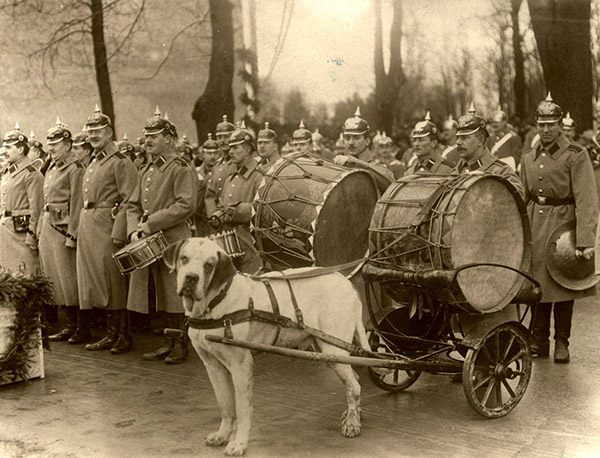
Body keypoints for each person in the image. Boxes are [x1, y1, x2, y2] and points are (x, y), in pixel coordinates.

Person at [521, 93, 598, 363]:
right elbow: (523, 195)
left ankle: (562, 342)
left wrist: (586, 240)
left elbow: (587, 199)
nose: (545, 129)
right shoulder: (529, 156)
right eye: (541, 125)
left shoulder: (576, 154)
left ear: (559, 125)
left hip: (564, 225)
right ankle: (538, 339)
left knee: (565, 286)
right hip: (535, 225)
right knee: (537, 285)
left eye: (551, 124)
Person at [127, 110, 198, 364]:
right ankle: (169, 342)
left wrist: (150, 224)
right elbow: (133, 204)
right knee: (161, 292)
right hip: (151, 241)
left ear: (169, 138)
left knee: (175, 291)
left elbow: (186, 205)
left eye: (154, 135)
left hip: (173, 240)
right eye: (146, 135)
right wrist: (134, 228)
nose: (148, 140)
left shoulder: (180, 167)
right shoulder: (146, 168)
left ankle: (181, 344)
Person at [77, 105, 138, 354]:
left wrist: (119, 232)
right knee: (98, 281)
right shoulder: (93, 160)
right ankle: (110, 334)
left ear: (110, 132)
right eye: (90, 132)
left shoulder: (120, 162)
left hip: (108, 225)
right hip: (89, 223)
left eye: (98, 131)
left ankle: (123, 335)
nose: (92, 136)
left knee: (113, 280)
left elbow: (129, 199)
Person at [39, 119, 90, 344]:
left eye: (56, 143)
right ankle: (69, 324)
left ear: (68, 145)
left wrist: (73, 233)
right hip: (49, 224)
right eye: (49, 143)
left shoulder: (75, 168)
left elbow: (78, 202)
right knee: (57, 277)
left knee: (70, 279)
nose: (51, 147)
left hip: (64, 228)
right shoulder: (51, 166)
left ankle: (82, 326)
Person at [208, 122, 264, 274]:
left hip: (251, 245)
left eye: (235, 148)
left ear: (247, 150)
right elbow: (221, 205)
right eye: (230, 147)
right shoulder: (230, 179)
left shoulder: (260, 177)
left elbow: (265, 210)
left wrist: (240, 211)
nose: (230, 151)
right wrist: (217, 215)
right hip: (230, 246)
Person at [452, 103, 524, 197]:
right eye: (458, 137)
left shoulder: (501, 172)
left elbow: (516, 203)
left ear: (480, 141)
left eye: (464, 138)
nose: (458, 142)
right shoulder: (457, 170)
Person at [0, 125, 43, 273]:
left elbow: (36, 208)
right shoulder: (8, 173)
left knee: (26, 274)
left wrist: (32, 236)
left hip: (22, 235)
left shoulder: (31, 174)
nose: (4, 151)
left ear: (20, 149)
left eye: (9, 147)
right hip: (6, 233)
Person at [333, 107, 394, 192]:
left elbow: (391, 183)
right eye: (347, 138)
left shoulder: (377, 166)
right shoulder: (341, 165)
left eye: (356, 137)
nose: (351, 142)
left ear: (367, 141)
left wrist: (356, 162)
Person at [205, 114, 236, 217]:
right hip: (217, 220)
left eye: (226, 136)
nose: (222, 140)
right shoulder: (217, 165)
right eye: (219, 137)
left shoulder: (237, 163)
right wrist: (213, 217)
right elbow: (210, 196)